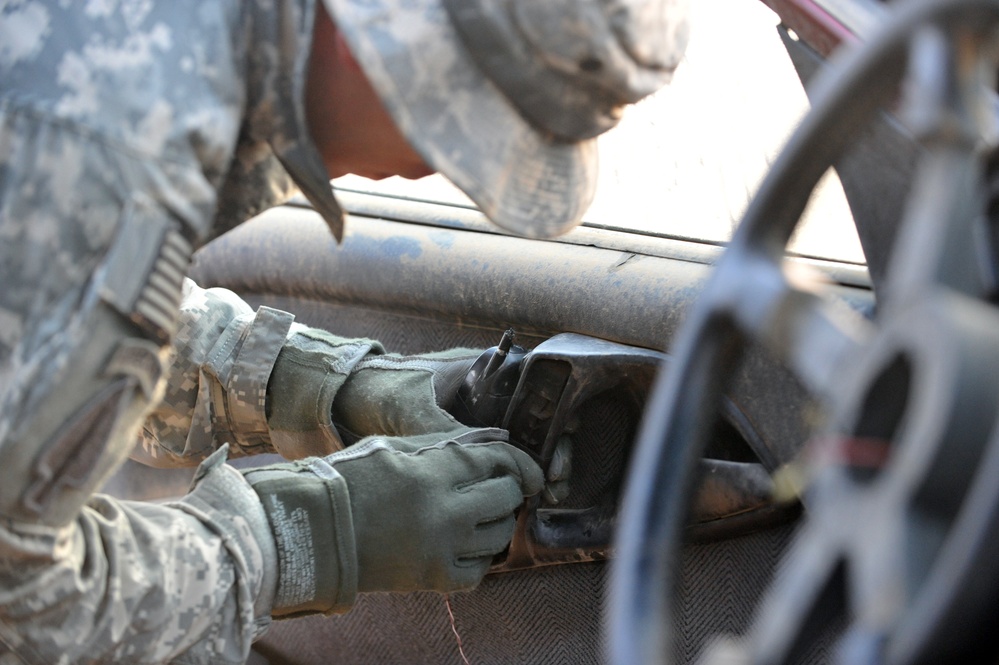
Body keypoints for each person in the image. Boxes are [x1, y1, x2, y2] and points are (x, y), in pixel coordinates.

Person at [0, 0, 689, 662]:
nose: (439, 166)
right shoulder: (105, 161)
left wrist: (317, 388)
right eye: (459, 119)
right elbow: (23, 607)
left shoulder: (171, 59)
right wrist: (310, 535)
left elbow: (57, 306)